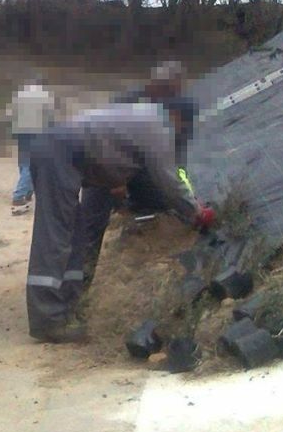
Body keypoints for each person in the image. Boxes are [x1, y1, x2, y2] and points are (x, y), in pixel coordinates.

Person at [25, 100, 215, 343]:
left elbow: (112, 149)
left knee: (74, 235)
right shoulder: (158, 127)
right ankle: (47, 321)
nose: (180, 135)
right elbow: (168, 180)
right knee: (56, 234)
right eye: (184, 128)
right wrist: (196, 211)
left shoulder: (143, 115)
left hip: (64, 151)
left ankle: (67, 308)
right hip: (60, 152)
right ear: (178, 117)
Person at [79, 62, 199, 287]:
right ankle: (78, 290)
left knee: (156, 204)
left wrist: (188, 195)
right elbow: (104, 143)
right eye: (168, 88)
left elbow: (175, 161)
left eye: (176, 89)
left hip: (136, 169)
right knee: (91, 228)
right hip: (104, 169)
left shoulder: (178, 110)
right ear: (156, 85)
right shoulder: (127, 102)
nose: (173, 93)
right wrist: (117, 182)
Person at [10, 79, 57, 215]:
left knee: (23, 161)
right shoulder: (45, 95)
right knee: (31, 164)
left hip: (20, 131)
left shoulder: (19, 94)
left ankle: (28, 190)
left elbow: (12, 113)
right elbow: (50, 115)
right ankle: (19, 195)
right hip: (37, 131)